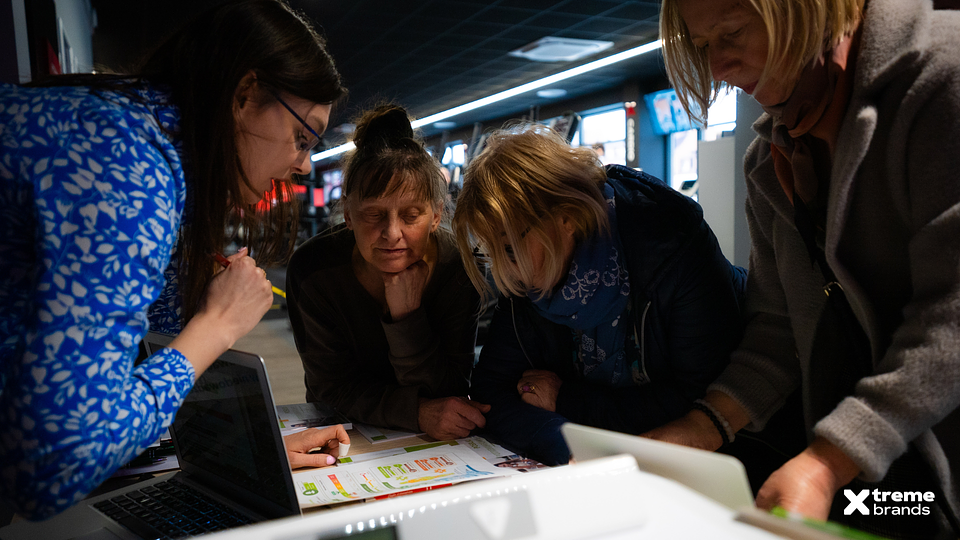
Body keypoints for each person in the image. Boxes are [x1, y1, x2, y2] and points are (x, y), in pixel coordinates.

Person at [0, 0, 349, 520]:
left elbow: (131, 375)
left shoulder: (134, 135)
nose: (303, 165)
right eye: (303, 137)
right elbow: (54, 465)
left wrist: (244, 447)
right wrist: (218, 323)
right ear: (245, 95)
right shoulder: (127, 164)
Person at [652, 0, 960, 535]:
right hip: (883, 482)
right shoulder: (768, 162)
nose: (718, 67)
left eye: (732, 32)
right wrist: (701, 427)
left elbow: (951, 316)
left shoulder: (942, 76)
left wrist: (826, 464)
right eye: (702, 47)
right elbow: (778, 327)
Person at [451, 125, 747, 466]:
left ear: (566, 216)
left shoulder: (673, 248)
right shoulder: (529, 276)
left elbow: (703, 401)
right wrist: (568, 446)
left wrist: (567, 402)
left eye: (509, 249)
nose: (505, 275)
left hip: (725, 457)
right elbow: (491, 392)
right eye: (491, 251)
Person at [286, 105, 486, 442]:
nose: (392, 233)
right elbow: (330, 390)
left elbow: (450, 388)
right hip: (345, 435)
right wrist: (417, 411)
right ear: (348, 214)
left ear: (436, 216)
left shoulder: (460, 267)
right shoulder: (314, 271)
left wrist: (407, 317)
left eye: (411, 215)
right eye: (373, 215)